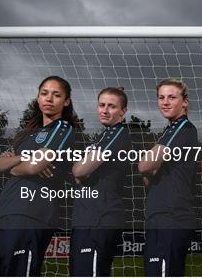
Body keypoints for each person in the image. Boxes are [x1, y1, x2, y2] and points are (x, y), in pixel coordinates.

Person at [0, 76, 75, 276]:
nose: (49, 98)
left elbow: (35, 167)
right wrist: (25, 156)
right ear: (38, 97)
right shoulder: (27, 134)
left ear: (66, 101)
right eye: (44, 93)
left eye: (56, 95)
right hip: (0, 216)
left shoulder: (63, 129)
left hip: (30, 216)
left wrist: (14, 165)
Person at [138, 79, 198, 276]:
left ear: (185, 102)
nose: (165, 102)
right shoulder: (169, 130)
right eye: (161, 97)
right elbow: (148, 173)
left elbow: (144, 165)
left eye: (171, 97)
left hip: (172, 215)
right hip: (159, 214)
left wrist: (148, 166)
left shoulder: (183, 128)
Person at [70, 87, 131, 276]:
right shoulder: (102, 136)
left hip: (100, 217)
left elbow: (79, 170)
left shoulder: (117, 133)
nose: (104, 110)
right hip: (85, 217)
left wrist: (79, 168)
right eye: (101, 105)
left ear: (123, 111)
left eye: (111, 106)